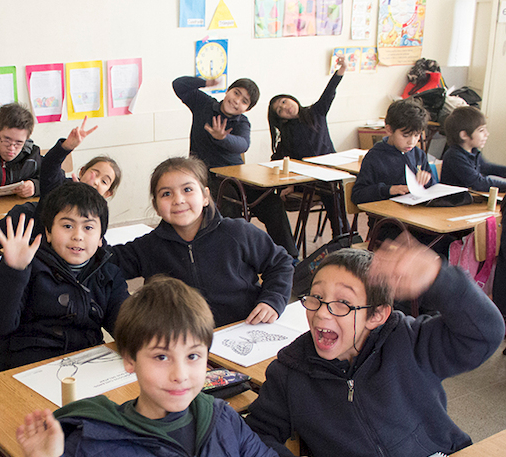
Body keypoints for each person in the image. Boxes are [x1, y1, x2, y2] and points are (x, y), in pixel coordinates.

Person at [245, 238, 504, 457]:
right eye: (316, 297)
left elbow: (486, 334)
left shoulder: (410, 340)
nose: (322, 313)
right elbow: (255, 432)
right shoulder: (290, 371)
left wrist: (440, 279)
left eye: (343, 303)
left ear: (377, 315)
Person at [15, 276, 306, 457]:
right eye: (161, 357)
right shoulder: (98, 445)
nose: (180, 374)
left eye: (192, 356)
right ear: (129, 360)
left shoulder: (223, 418)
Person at [110, 156, 293, 328]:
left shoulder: (237, 232)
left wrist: (272, 300)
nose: (178, 200)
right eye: (166, 194)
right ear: (156, 206)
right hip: (180, 342)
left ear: (205, 196)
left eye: (187, 190)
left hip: (240, 330)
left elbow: (280, 263)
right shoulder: (148, 247)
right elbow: (104, 261)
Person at [0, 182, 129, 376]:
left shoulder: (108, 274)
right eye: (67, 225)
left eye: (88, 227)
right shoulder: (27, 266)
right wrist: (13, 270)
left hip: (82, 371)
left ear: (101, 237)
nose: (77, 236)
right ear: (48, 232)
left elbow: (127, 328)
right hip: (23, 372)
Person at [172, 74, 303, 259]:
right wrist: (207, 82)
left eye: (244, 101)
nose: (236, 101)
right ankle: (238, 258)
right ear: (228, 91)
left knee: (272, 202)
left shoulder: (242, 122)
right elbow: (179, 84)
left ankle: (290, 258)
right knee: (229, 205)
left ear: (247, 109)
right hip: (205, 176)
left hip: (235, 175)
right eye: (236, 93)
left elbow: (242, 144)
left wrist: (223, 138)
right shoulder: (203, 104)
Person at [268, 56, 349, 239]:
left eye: (284, 102)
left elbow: (329, 92)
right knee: (331, 193)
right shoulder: (287, 133)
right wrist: (289, 186)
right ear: (282, 119)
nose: (285, 107)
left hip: (331, 172)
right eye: (280, 111)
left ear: (291, 99)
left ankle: (344, 234)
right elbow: (281, 161)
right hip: (308, 179)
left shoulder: (316, 112)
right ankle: (342, 236)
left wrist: (341, 70)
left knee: (335, 192)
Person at [0, 102, 96, 197]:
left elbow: (55, 178)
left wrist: (35, 186)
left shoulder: (31, 155)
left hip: (15, 216)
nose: (11, 148)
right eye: (6, 140)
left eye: (18, 143)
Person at [351, 98, 435, 244]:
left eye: (416, 135)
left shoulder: (417, 154)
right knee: (423, 247)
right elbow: (358, 195)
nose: (412, 142)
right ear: (389, 129)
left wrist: (427, 179)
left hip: (416, 218)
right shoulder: (375, 156)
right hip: (387, 225)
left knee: (447, 241)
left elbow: (431, 189)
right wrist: (389, 190)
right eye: (406, 135)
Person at [0, 155, 122, 247]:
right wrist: (64, 148)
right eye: (94, 173)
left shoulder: (100, 212)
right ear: (82, 171)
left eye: (104, 181)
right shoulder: (59, 189)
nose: (95, 181)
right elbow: (49, 170)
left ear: (107, 193)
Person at [441, 106, 506, 191]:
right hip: (455, 202)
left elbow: (488, 168)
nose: (487, 134)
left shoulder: (473, 151)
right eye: (481, 130)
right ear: (464, 135)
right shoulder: (454, 156)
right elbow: (478, 183)